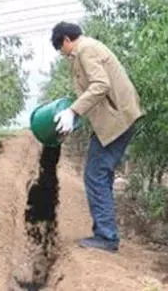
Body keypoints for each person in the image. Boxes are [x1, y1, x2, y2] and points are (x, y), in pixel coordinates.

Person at [51, 21, 144, 253]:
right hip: (116, 119)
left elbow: (100, 85)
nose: (64, 55)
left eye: (61, 50)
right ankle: (104, 232)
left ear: (66, 40)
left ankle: (106, 237)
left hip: (117, 120)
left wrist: (73, 111)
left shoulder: (85, 50)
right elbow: (93, 93)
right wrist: (74, 116)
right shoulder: (88, 48)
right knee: (101, 174)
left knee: (95, 174)